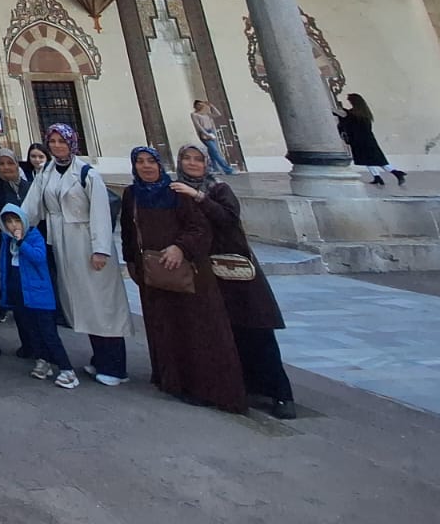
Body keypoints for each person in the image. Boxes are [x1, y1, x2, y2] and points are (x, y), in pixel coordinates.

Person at [173, 144, 296, 419]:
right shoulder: (176, 190)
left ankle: (280, 393)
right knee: (219, 332)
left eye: (197, 159)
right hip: (204, 271)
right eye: (186, 159)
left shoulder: (218, 189)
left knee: (256, 331)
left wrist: (198, 196)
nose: (192, 164)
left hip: (236, 271)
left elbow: (228, 218)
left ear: (207, 163)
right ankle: (235, 386)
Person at [122, 146, 246, 413]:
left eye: (150, 162)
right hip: (153, 272)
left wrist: (181, 248)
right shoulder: (132, 194)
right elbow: (128, 232)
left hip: (189, 271)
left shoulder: (177, 191)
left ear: (160, 164)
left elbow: (200, 228)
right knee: (164, 327)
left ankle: (210, 388)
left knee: (197, 327)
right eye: (140, 162)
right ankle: (174, 382)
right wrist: (132, 262)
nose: (146, 167)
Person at [21, 123, 133, 386]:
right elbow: (32, 206)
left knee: (102, 304)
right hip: (62, 242)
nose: (57, 145)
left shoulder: (87, 173)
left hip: (87, 242)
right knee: (84, 303)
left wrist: (100, 249)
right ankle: (99, 359)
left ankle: (115, 366)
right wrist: (16, 225)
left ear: (71, 143)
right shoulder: (46, 172)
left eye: (62, 141)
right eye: (53, 141)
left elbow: (101, 215)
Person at [0, 204, 77, 389]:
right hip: (19, 294)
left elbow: (39, 257)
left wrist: (21, 243)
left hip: (39, 295)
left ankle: (66, 369)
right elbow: (5, 266)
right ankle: (43, 361)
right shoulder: (6, 241)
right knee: (31, 330)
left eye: (16, 220)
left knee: (48, 333)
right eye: (9, 222)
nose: (13, 225)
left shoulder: (33, 236)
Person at [0, 148, 33, 304]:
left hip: (29, 243)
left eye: (10, 163)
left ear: (17, 164)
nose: (6, 167)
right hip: (3, 245)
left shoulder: (29, 188)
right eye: (1, 164)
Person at [334, 93, 407, 186]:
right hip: (367, 139)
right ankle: (377, 177)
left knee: (374, 160)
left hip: (361, 140)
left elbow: (347, 117)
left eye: (350, 100)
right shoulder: (363, 113)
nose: (349, 102)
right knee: (369, 159)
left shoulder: (355, 114)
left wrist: (339, 110)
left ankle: (396, 173)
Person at [190, 100, 236, 176]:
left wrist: (211, 106)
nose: (200, 106)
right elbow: (198, 126)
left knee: (212, 151)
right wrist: (206, 134)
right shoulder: (194, 114)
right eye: (198, 105)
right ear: (195, 106)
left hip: (211, 131)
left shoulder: (206, 114)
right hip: (205, 133)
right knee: (215, 151)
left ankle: (214, 168)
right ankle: (228, 170)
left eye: (201, 105)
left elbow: (218, 114)